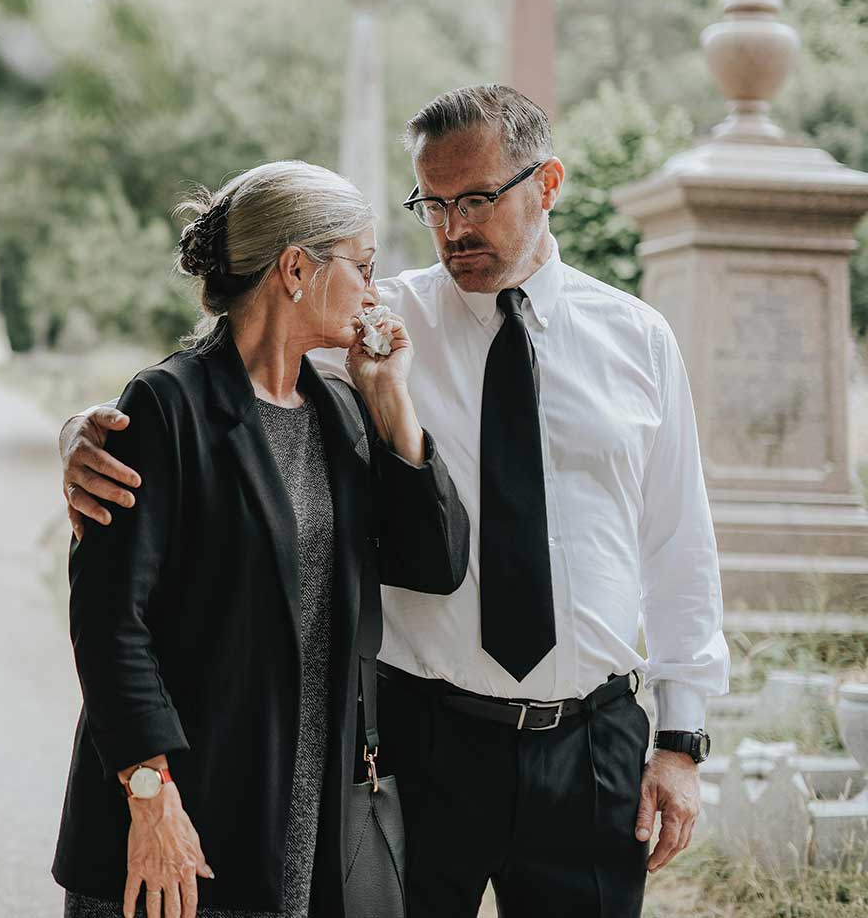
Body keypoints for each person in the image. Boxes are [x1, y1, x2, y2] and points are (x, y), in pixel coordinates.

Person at [59, 86, 729, 918]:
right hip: (422, 745)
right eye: (435, 205)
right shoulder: (375, 325)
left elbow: (677, 546)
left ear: (547, 183)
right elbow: (216, 375)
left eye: (477, 199)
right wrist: (84, 431)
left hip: (591, 748)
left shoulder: (635, 340)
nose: (453, 229)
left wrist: (682, 739)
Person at [52, 160, 469, 918]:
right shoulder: (166, 406)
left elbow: (434, 564)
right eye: (364, 265)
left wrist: (391, 402)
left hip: (304, 820)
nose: (376, 291)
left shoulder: (339, 412)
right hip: (177, 815)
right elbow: (112, 624)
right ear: (296, 269)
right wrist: (152, 800)